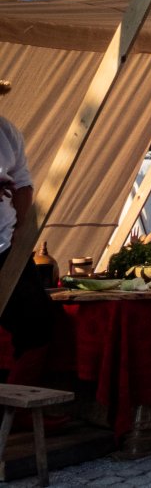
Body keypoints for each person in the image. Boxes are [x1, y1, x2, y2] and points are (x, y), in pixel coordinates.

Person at [0, 79, 62, 412]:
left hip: (6, 246)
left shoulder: (7, 132)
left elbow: (23, 184)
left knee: (37, 322)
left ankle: (16, 411)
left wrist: (22, 233)